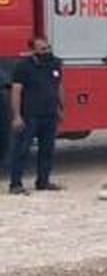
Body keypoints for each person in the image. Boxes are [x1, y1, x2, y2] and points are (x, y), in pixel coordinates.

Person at [9, 37, 65, 195]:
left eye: (48, 48)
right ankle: (15, 184)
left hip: (50, 114)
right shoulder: (23, 67)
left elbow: (59, 86)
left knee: (47, 150)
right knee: (22, 150)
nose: (46, 52)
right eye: (42, 49)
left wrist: (61, 108)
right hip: (30, 115)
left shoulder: (55, 63)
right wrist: (17, 116)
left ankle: (43, 181)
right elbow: (16, 91)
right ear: (33, 50)